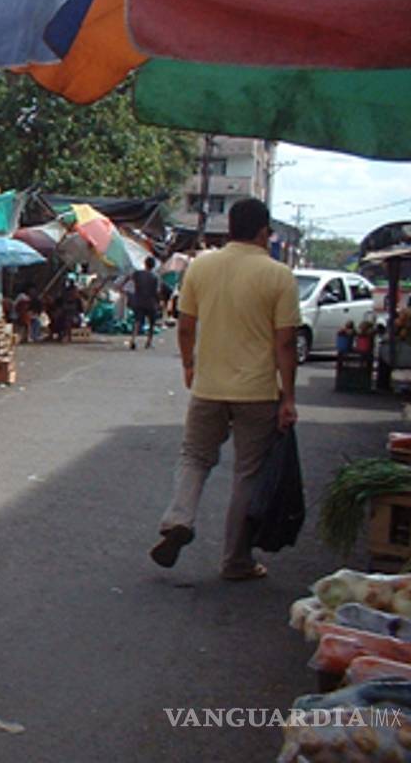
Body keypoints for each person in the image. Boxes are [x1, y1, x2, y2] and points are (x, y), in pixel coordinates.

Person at [149, 198, 300, 581]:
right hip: (258, 392)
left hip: (208, 386)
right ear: (264, 231)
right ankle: (235, 561)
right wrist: (289, 397)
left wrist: (188, 364)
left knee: (195, 456)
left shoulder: (202, 266)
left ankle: (179, 518)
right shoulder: (279, 275)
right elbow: (285, 344)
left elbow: (184, 325)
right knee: (246, 474)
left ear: (230, 227)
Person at [129, 257, 162, 350]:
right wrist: (159, 302)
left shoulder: (138, 274)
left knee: (137, 321)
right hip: (150, 302)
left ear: (145, 264)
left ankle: (133, 340)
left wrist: (122, 286)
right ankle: (148, 342)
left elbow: (129, 278)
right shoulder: (155, 277)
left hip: (138, 300)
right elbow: (157, 292)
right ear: (153, 266)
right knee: (152, 323)